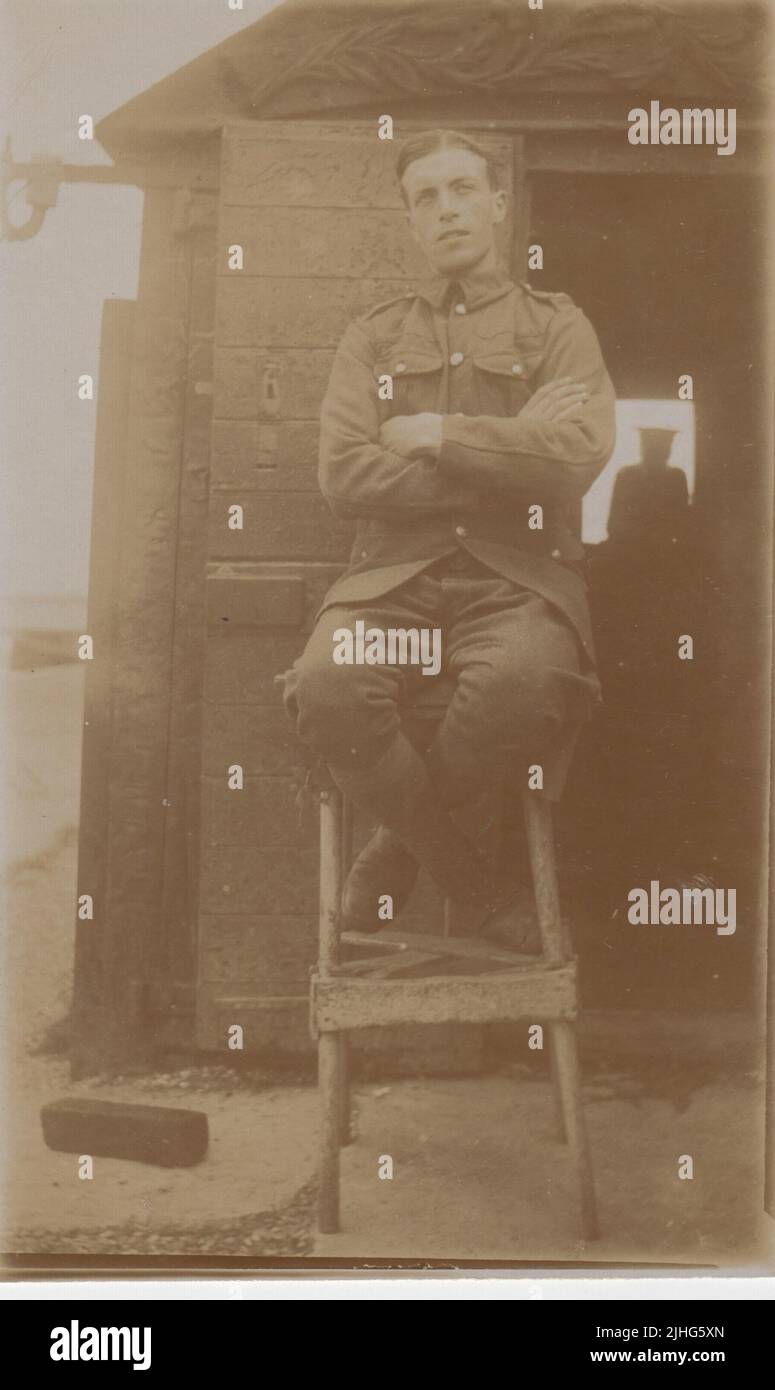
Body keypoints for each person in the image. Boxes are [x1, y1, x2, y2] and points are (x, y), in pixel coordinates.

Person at [283, 129, 616, 944]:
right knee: (327, 684)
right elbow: (345, 476)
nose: (446, 210)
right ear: (410, 220)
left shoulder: (557, 327)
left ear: (498, 205)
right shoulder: (372, 335)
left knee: (522, 686)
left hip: (516, 584)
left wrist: (433, 430)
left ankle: (393, 852)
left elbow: (576, 459)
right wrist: (508, 448)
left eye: (463, 189)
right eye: (425, 197)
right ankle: (479, 885)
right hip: (388, 582)